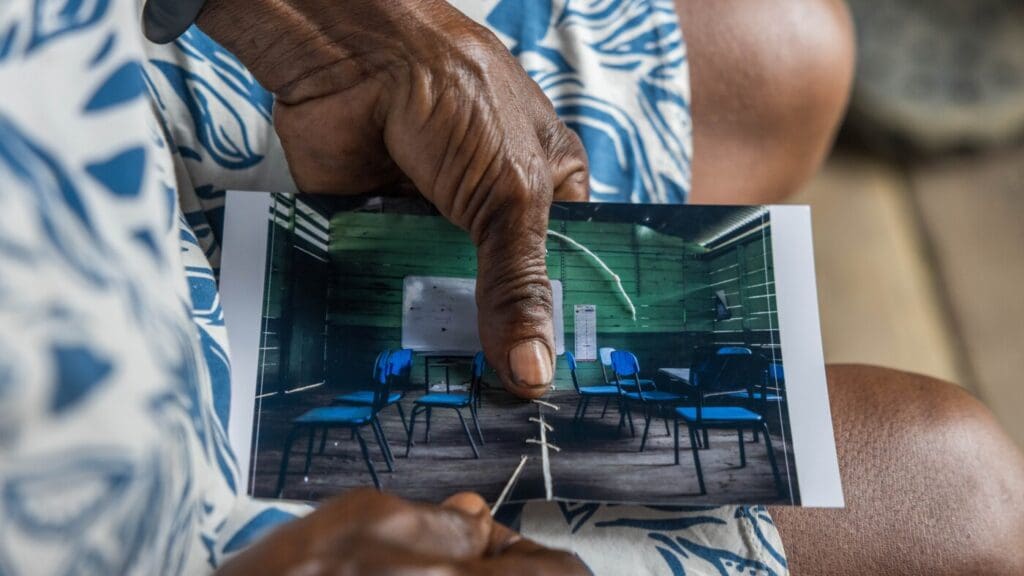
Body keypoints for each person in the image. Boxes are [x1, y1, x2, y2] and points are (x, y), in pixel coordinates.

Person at [1, 1, 1022, 575]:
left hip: (54, 111)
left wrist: (328, 23)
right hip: (97, 522)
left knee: (777, 53)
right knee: (954, 496)